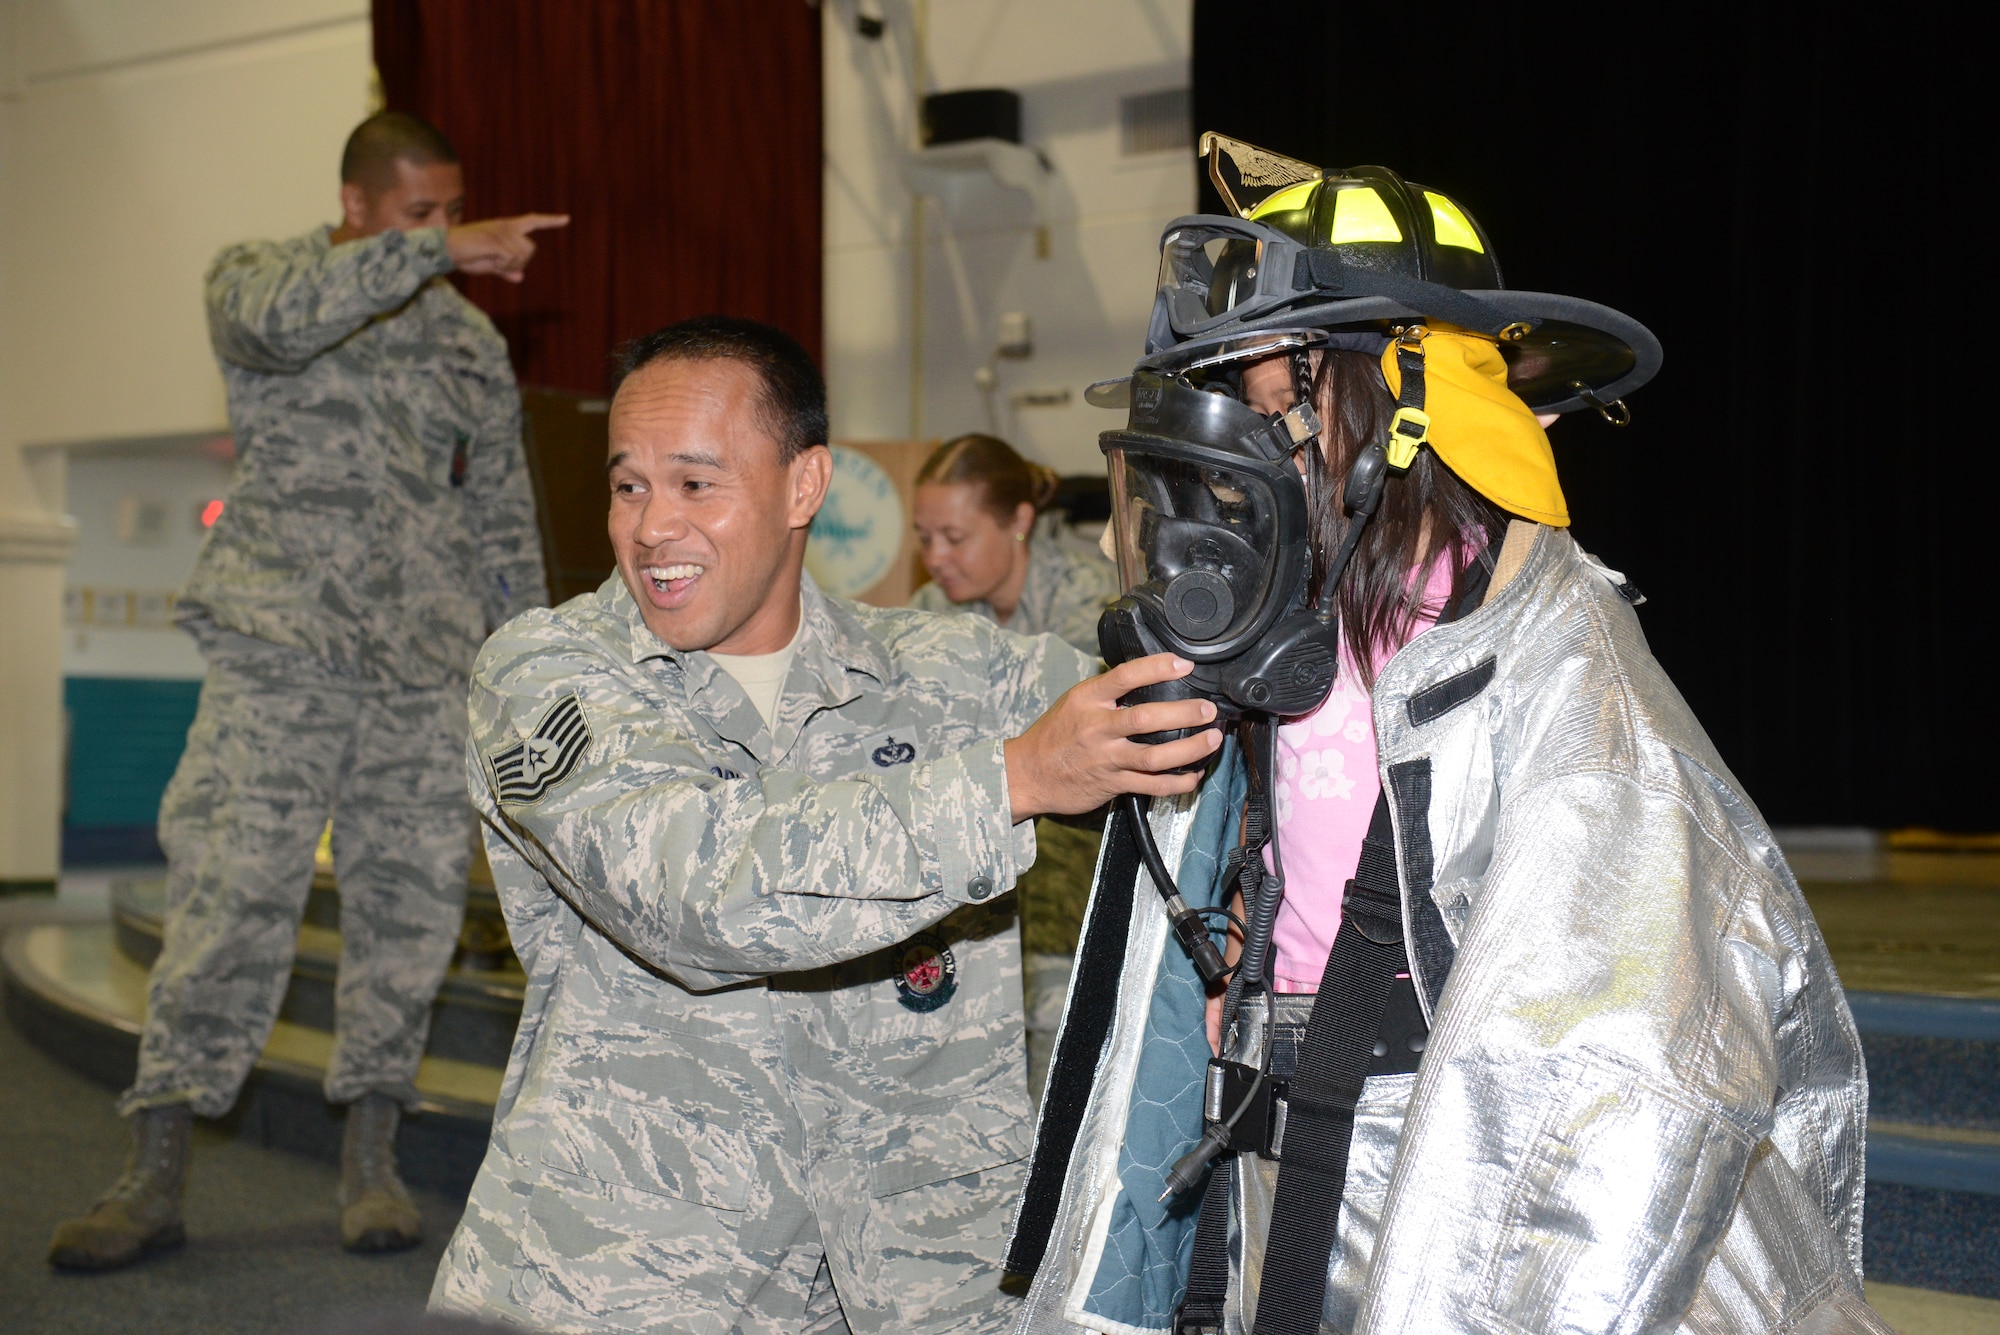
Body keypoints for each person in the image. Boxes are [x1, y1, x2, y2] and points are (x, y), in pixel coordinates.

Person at [1008, 139, 1890, 1335]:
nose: (1260, 447)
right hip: (1271, 1127)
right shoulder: (1277, 609)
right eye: (1247, 407)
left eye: (1290, 407)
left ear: (1403, 406)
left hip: (1440, 1172)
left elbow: (1617, 1052)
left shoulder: (1545, 653)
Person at [428, 315, 1221, 1334]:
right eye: (629, 486)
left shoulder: (949, 670)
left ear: (805, 487)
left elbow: (1195, 715)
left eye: (696, 484)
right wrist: (1008, 783)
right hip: (640, 1273)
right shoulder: (548, 673)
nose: (651, 526)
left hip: (919, 1277)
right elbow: (697, 891)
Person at [48, 112, 565, 1270]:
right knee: (226, 897)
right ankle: (155, 1170)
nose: (448, 237)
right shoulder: (261, 281)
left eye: (451, 213)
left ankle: (371, 1160)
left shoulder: (466, 349)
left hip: (419, 670)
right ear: (360, 204)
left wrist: (521, 664)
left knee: (406, 910)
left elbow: (498, 520)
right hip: (279, 654)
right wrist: (435, 254)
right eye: (422, 214)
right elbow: (275, 325)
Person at [909, 434, 1122, 1101]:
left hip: (1069, 883)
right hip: (971, 892)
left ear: (1020, 521)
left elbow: (1075, 754)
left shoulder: (1096, 602)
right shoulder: (929, 613)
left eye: (954, 536)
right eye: (924, 537)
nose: (935, 558)